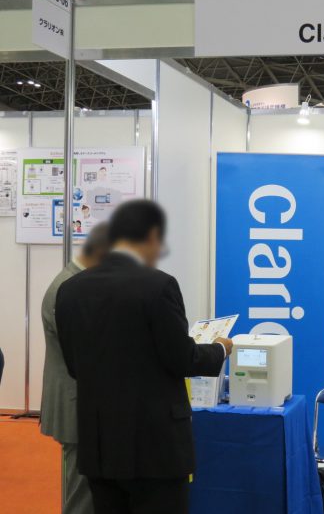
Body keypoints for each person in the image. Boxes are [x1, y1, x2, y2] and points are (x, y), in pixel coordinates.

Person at [56, 199, 233, 514]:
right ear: (151, 236)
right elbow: (182, 358)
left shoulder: (70, 289)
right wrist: (219, 348)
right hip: (155, 447)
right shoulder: (159, 286)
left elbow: (74, 366)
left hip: (99, 445)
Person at [40, 223, 111, 514]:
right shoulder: (68, 288)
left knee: (83, 487)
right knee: (81, 493)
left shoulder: (74, 283)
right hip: (75, 403)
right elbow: (84, 351)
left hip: (79, 401)